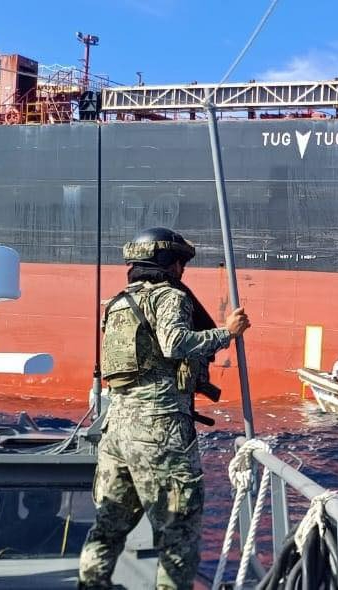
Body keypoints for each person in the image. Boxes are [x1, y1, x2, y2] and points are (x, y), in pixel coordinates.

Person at [80, 227, 250, 590]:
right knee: (178, 531)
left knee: (108, 526)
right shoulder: (170, 296)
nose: (182, 270)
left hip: (117, 428)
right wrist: (228, 332)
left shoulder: (118, 302)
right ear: (167, 263)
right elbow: (175, 344)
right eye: (180, 263)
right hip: (160, 430)